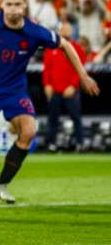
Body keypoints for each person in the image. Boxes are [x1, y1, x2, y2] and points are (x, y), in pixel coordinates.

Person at [0, 0, 99, 204]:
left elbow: (66, 45)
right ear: (2, 5)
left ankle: (1, 186)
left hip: (13, 90)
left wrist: (83, 76)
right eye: (8, 4)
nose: (12, 9)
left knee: (28, 131)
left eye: (17, 4)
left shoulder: (34, 30)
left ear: (24, 5)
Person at [42, 22, 86, 152]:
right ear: (59, 31)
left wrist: (73, 86)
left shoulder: (77, 48)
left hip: (71, 90)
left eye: (68, 29)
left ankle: (80, 143)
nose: (65, 31)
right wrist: (47, 85)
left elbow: (80, 69)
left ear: (72, 31)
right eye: (63, 29)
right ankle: (51, 144)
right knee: (53, 118)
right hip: (54, 89)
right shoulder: (51, 48)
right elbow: (46, 68)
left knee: (76, 117)